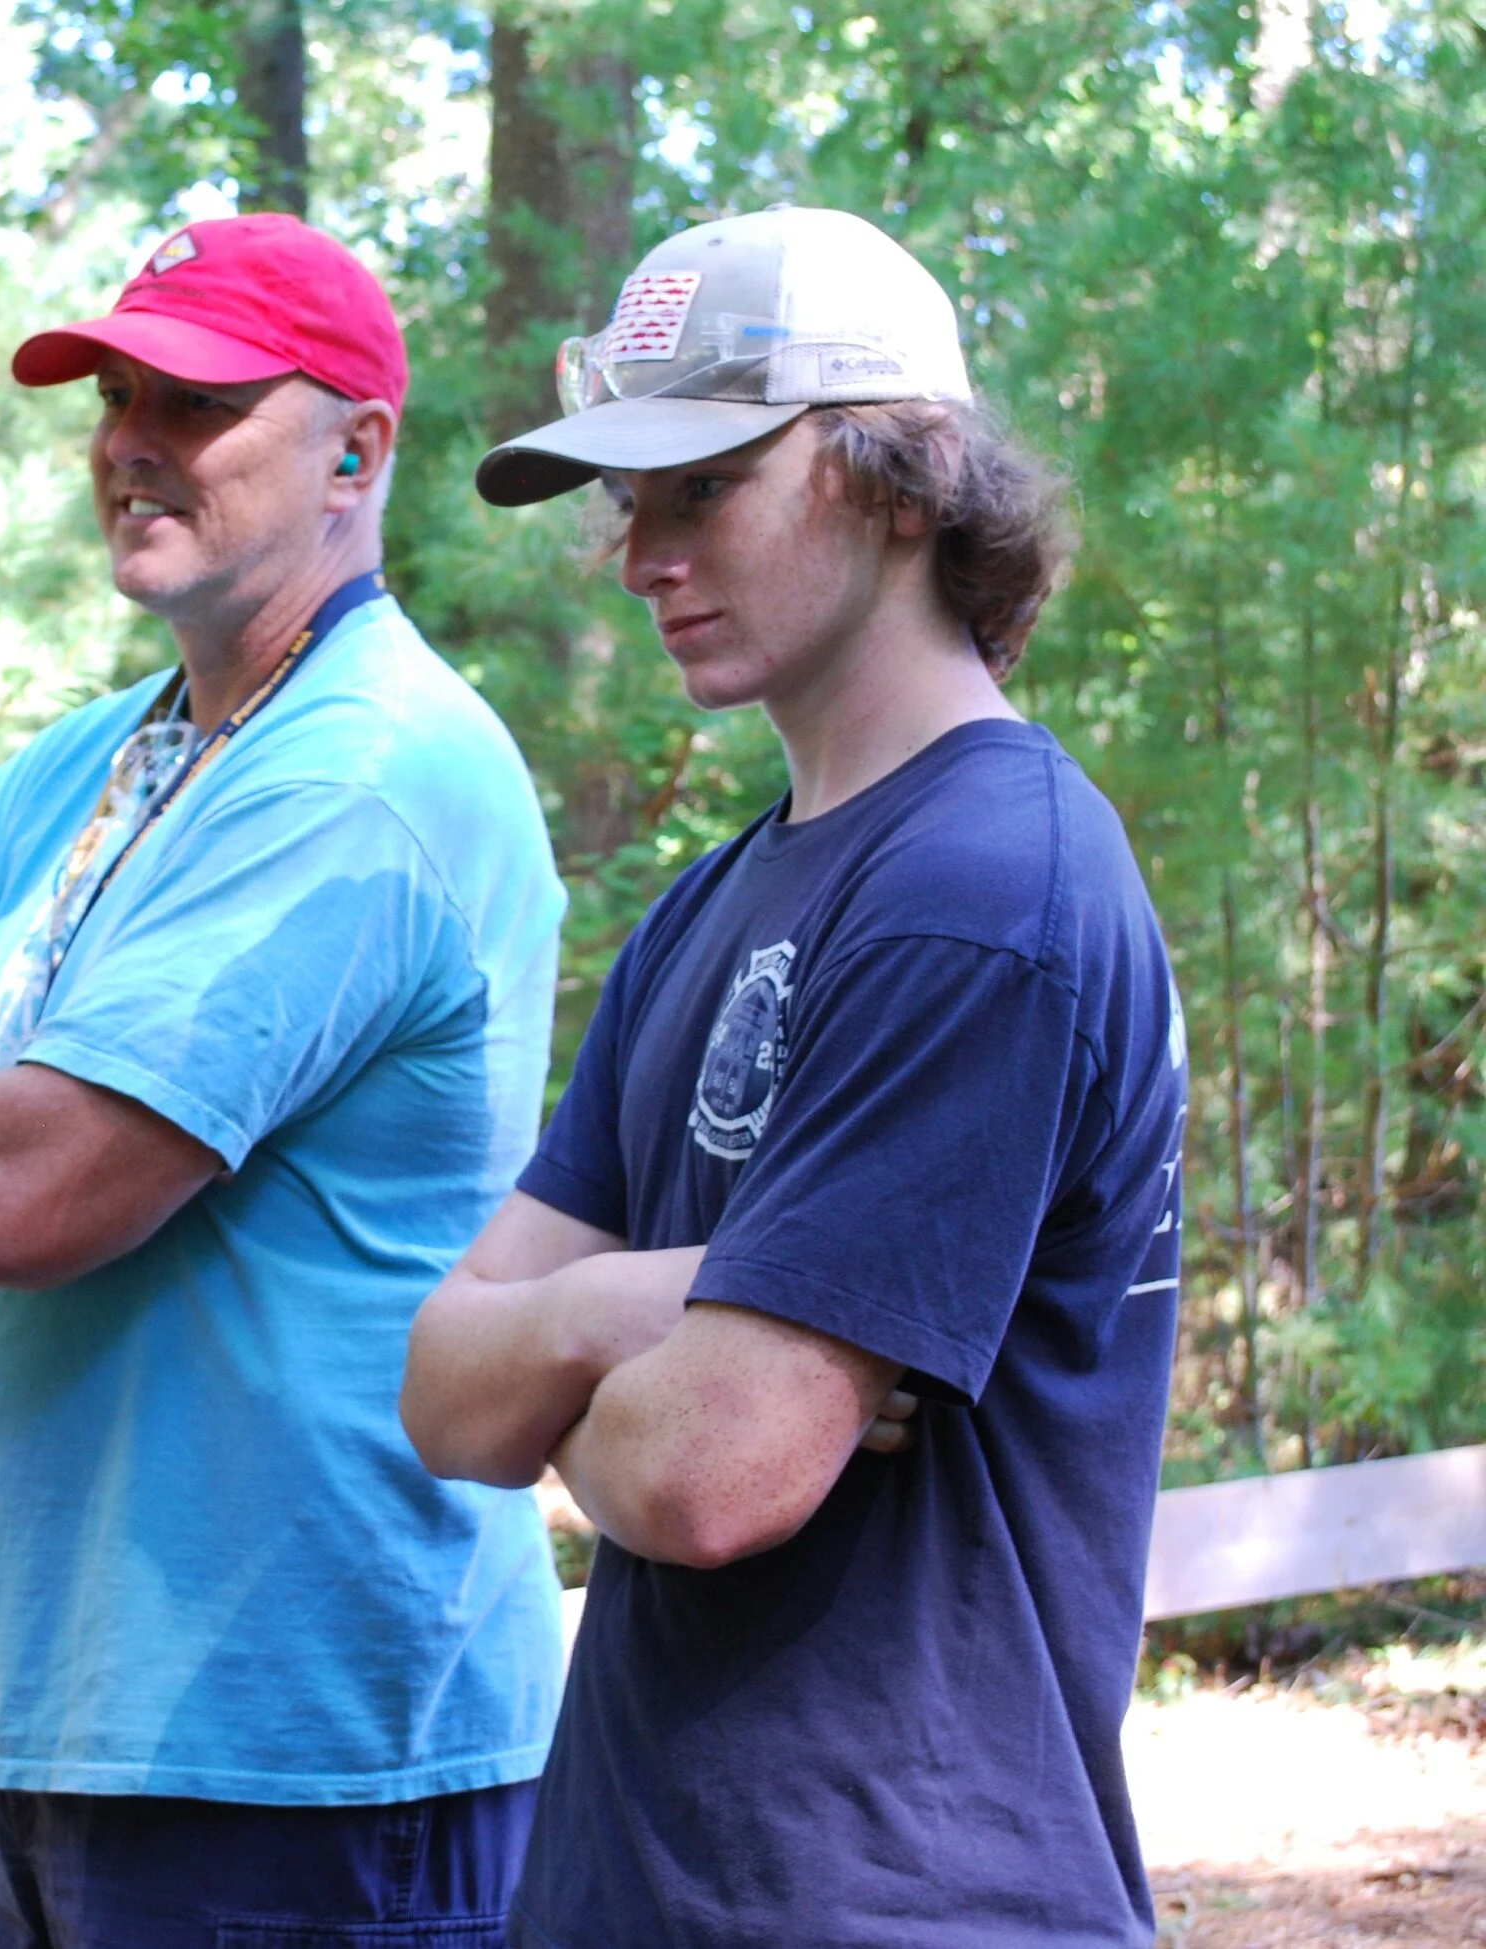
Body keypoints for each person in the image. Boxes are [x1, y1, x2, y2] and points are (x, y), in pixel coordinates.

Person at [0, 213, 571, 1948]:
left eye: (196, 399)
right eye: (116, 390)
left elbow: (6, 1193)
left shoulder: (366, 771)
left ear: (360, 448)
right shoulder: (77, 768)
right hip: (85, 1727)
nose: (132, 438)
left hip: (317, 1759)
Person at [400, 205, 1188, 1947]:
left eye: (704, 487)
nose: (637, 554)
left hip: (900, 1903)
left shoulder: (985, 893)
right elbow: (447, 1395)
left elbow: (708, 1474)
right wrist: (674, 1297)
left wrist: (598, 1380)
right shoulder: (715, 901)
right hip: (643, 1888)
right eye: (627, 499)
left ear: (901, 479)